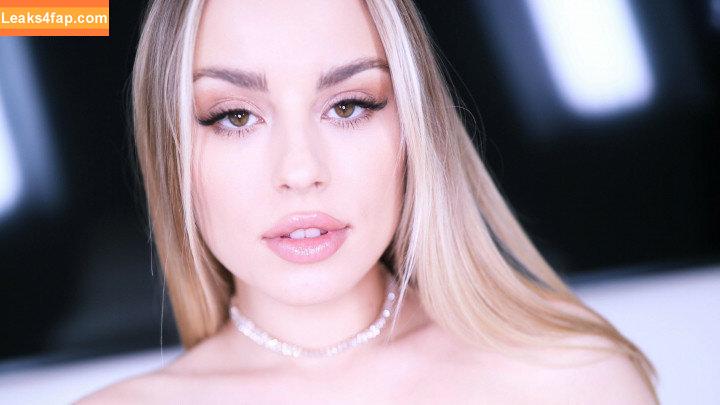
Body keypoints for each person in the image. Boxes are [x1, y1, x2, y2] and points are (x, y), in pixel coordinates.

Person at [80, 0, 657, 402]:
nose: (300, 171)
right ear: (171, 151)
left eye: (349, 106)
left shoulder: (572, 377)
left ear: (414, 131)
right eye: (233, 116)